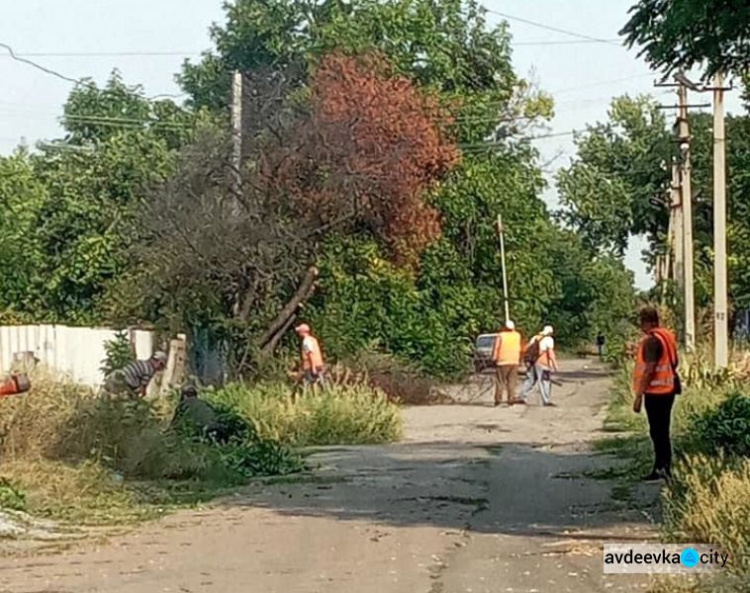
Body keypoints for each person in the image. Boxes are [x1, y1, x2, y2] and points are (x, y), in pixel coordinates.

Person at [632, 306, 680, 481]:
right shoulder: (667, 336)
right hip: (669, 389)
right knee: (662, 430)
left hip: (656, 392)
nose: (641, 327)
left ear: (648, 322)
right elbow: (675, 361)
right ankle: (663, 466)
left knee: (657, 431)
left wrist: (638, 395)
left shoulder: (652, 341)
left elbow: (649, 369)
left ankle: (661, 467)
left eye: (642, 323)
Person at [518, 325, 559, 406]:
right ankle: (546, 400)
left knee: (530, 380)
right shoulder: (549, 340)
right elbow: (550, 353)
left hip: (533, 362)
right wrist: (555, 365)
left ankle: (522, 397)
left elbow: (527, 348)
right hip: (543, 363)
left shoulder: (535, 337)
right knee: (544, 381)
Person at [103, 351, 168, 399]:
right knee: (125, 399)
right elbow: (143, 386)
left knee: (108, 394)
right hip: (126, 380)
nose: (160, 368)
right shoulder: (149, 369)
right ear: (158, 362)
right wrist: (142, 395)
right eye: (161, 365)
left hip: (117, 374)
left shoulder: (142, 363)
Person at [492, 320, 523, 406]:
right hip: (514, 360)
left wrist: (494, 358)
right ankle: (511, 399)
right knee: (512, 381)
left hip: (502, 361)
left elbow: (496, 347)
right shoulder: (517, 335)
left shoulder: (501, 335)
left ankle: (498, 399)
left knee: (500, 381)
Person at [294, 324, 326, 390]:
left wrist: (313, 367)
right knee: (320, 382)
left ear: (303, 332)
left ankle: (313, 397)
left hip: (310, 365)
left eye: (300, 331)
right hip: (318, 364)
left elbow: (310, 354)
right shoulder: (313, 340)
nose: (299, 333)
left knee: (311, 382)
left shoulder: (306, 341)